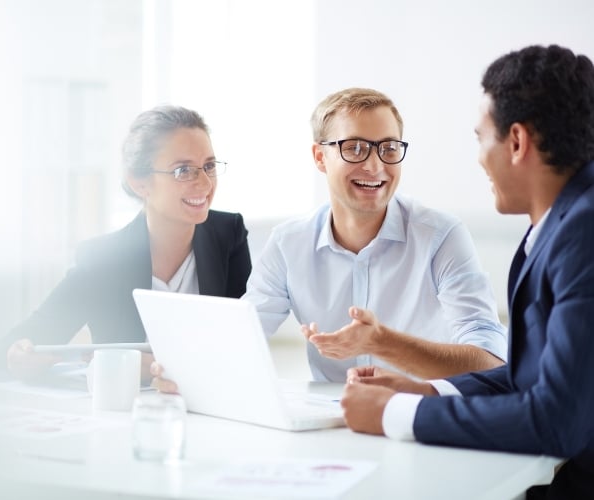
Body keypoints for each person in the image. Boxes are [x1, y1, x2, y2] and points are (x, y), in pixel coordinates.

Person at [340, 44, 594, 499]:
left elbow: (558, 421)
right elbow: (536, 375)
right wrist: (430, 392)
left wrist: (396, 415)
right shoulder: (563, 221)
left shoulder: (584, 232)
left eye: (481, 138)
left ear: (516, 142)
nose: (478, 158)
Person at [242, 87, 507, 382]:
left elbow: (491, 361)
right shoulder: (287, 243)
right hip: (330, 418)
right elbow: (239, 338)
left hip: (419, 413)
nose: (375, 166)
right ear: (320, 157)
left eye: (389, 148)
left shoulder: (440, 236)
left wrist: (382, 342)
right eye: (354, 148)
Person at [0, 105, 252, 381]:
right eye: (183, 170)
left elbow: (244, 347)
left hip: (211, 407)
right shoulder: (103, 259)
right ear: (140, 183)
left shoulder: (228, 235)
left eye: (209, 166)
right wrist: (16, 356)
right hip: (126, 412)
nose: (204, 183)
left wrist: (160, 367)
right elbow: (21, 342)